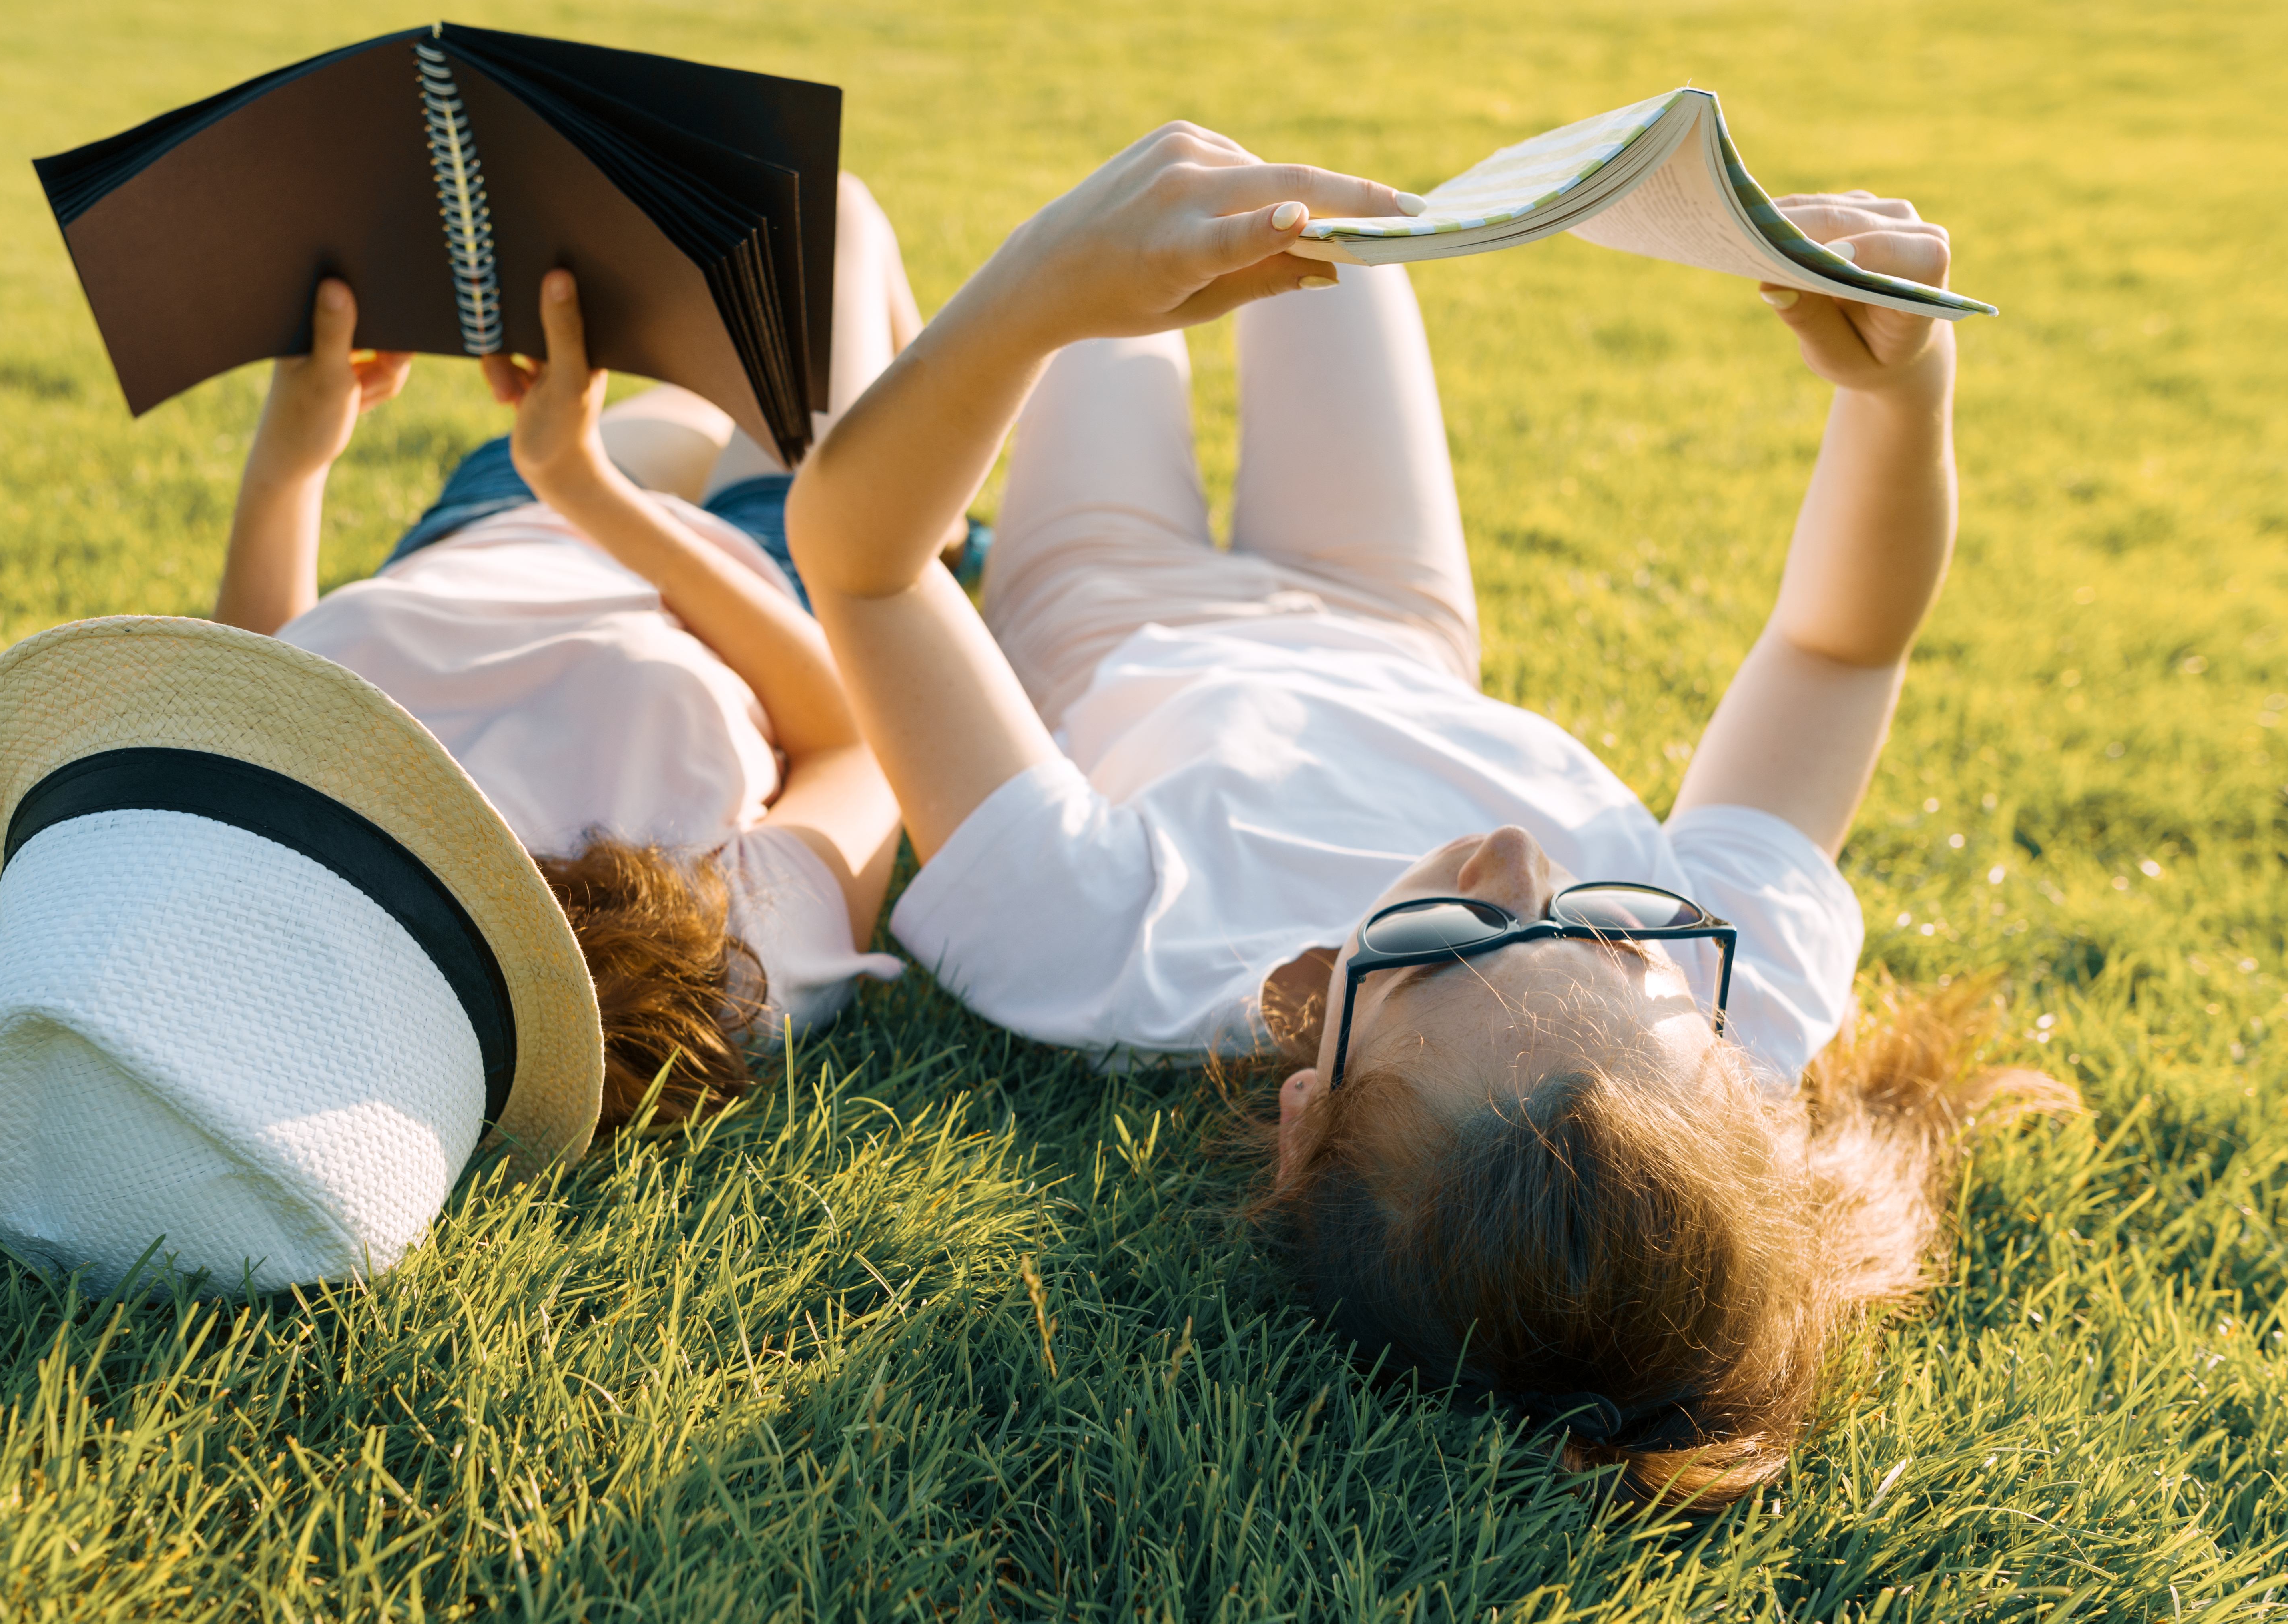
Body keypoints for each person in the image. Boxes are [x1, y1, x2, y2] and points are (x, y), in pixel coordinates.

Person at [786, 125, 2073, 1510]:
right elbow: (1840, 652)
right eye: (1608, 938)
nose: (1521, 860)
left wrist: (1039, 295)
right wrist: (1903, 395)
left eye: (1455, 939)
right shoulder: (1728, 986)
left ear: (1305, 1112)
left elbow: (865, 567)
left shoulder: (1103, 953)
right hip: (1385, 609)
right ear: (1726, 1072)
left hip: (1108, 603)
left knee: (1130, 277)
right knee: (1305, 213)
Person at [211, 179, 919, 1131]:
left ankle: (928, 514)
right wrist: (586, 487)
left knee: (720, 384)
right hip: (756, 567)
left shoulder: (267, 876)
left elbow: (245, 685)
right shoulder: (718, 970)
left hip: (495, 514)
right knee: (826, 222)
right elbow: (850, 739)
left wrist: (290, 459)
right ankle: (932, 536)